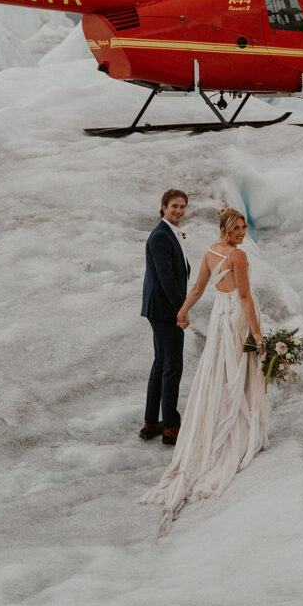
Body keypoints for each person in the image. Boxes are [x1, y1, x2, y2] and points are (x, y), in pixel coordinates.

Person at [140, 207, 269, 534]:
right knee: (234, 372)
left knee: (218, 373)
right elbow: (244, 296)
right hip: (235, 317)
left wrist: (183, 312)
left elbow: (197, 289)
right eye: (237, 228)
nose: (242, 232)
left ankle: (212, 423)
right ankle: (233, 430)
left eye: (244, 228)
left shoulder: (211, 252)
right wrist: (257, 333)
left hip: (217, 319)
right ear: (226, 229)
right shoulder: (237, 257)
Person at [140, 189, 191, 446]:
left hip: (159, 308)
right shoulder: (160, 235)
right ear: (163, 207)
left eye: (182, 206)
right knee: (172, 366)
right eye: (174, 206)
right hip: (164, 310)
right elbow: (166, 277)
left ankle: (151, 423)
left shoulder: (170, 232)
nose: (179, 211)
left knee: (161, 364)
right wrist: (181, 309)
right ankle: (171, 426)